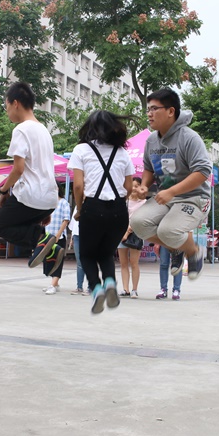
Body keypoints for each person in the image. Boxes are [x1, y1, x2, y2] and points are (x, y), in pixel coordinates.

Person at [130, 88, 211, 281]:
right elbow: (148, 167)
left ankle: (193, 251)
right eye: (148, 109)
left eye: (154, 108)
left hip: (193, 198)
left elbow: (202, 172)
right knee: (138, 223)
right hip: (165, 198)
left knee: (167, 231)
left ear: (170, 111)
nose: (149, 113)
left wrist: (172, 191)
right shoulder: (151, 140)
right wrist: (145, 185)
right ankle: (177, 248)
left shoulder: (189, 138)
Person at [69, 110, 135, 314]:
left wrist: (80, 210)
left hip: (93, 208)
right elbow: (129, 187)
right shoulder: (122, 153)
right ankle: (111, 284)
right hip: (118, 211)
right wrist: (116, 203)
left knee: (87, 255)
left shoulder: (81, 150)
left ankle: (96, 289)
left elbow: (78, 186)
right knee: (106, 253)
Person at [0, 82, 59, 272]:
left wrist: (3, 190)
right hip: (49, 197)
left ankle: (44, 241)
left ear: (15, 103)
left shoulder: (21, 130)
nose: (7, 112)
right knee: (24, 225)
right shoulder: (44, 130)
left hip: (31, 195)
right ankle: (51, 252)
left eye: (6, 107)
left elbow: (18, 169)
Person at [117, 177, 147, 298]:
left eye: (137, 186)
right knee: (123, 263)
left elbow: (140, 220)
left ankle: (134, 289)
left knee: (134, 263)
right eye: (132, 185)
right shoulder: (123, 201)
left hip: (135, 234)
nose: (134, 188)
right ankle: (126, 289)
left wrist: (127, 233)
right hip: (121, 235)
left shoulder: (144, 203)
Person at [41, 184, 71, 295]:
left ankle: (53, 285)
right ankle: (55, 283)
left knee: (57, 261)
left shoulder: (64, 203)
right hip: (47, 237)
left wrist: (58, 235)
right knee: (48, 261)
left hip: (59, 237)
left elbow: (66, 219)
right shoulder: (48, 204)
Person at [68, 205, 89, 295]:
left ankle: (90, 287)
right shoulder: (77, 205)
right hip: (77, 235)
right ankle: (79, 286)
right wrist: (72, 238)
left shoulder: (93, 204)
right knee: (79, 262)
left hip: (89, 235)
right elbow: (73, 223)